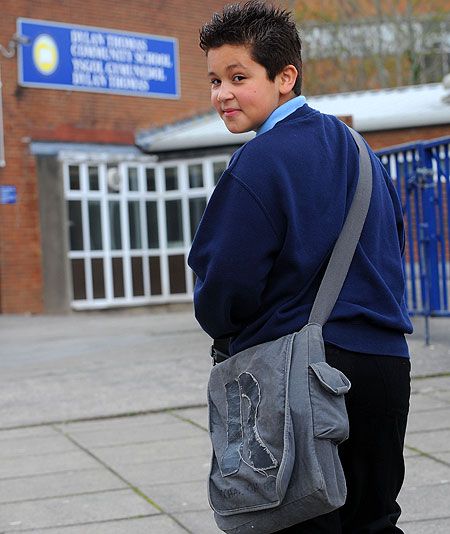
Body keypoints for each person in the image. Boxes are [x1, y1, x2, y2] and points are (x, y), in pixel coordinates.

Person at [187, 1, 413, 532]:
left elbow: (225, 287)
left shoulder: (259, 162)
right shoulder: (361, 152)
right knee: (373, 522)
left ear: (285, 76)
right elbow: (391, 247)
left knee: (293, 524)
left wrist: (225, 327)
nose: (221, 94)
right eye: (214, 80)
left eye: (238, 77)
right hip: (385, 367)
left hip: (301, 377)